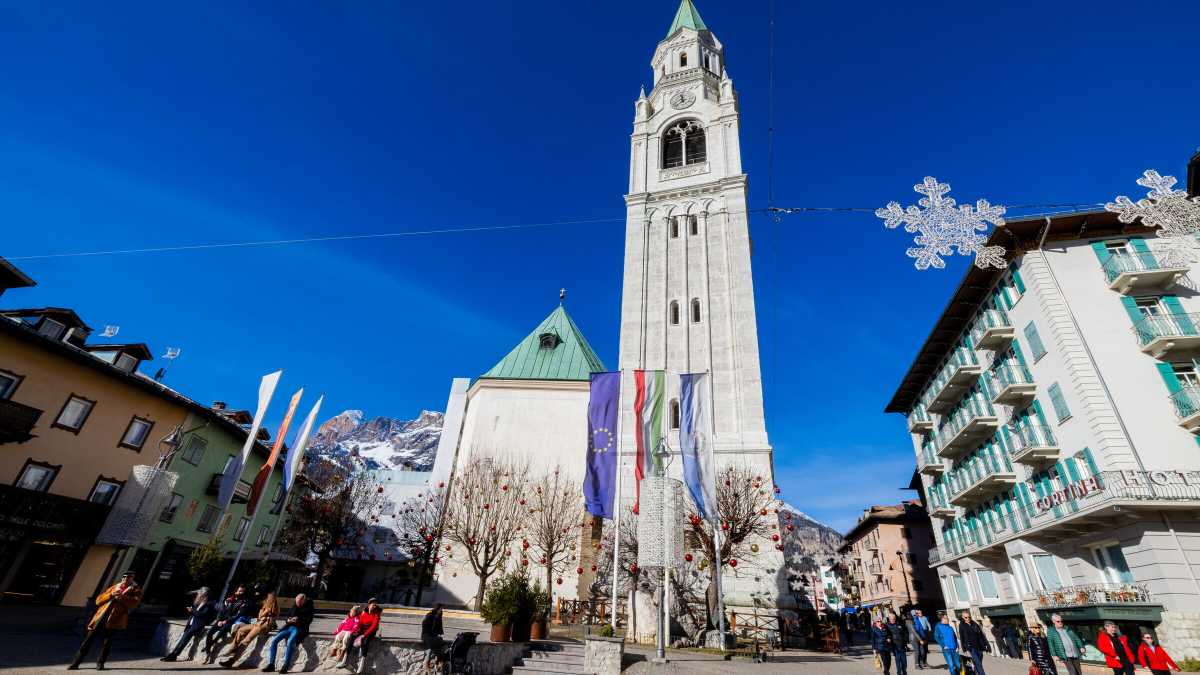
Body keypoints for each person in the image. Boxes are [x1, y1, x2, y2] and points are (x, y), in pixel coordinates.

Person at [68, 571, 143, 671]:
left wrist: (121, 597)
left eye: (129, 577)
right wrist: (111, 595)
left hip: (115, 619)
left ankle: (100, 664)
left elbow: (134, 604)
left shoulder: (136, 590)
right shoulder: (114, 587)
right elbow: (98, 600)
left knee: (107, 644)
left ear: (132, 579)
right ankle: (76, 663)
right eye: (124, 576)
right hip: (101, 617)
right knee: (87, 641)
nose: (125, 578)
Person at [219, 592, 279, 668]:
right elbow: (259, 617)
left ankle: (231, 661)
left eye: (269, 598)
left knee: (246, 640)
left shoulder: (274, 608)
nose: (267, 599)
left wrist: (266, 615)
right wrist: (260, 615)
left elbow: (271, 620)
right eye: (267, 598)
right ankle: (232, 649)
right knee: (241, 630)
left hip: (262, 626)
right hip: (257, 623)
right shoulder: (264, 605)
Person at [203, 585, 257, 663]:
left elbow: (237, 615)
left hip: (231, 622)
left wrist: (225, 621)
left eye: (243, 591)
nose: (241, 593)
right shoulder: (228, 600)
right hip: (221, 621)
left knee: (221, 632)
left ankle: (210, 644)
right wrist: (219, 620)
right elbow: (222, 611)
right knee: (209, 633)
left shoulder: (244, 602)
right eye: (240, 591)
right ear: (235, 592)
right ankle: (208, 652)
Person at [162, 586, 217, 661]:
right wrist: (193, 608)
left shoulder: (209, 604)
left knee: (184, 640)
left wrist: (192, 611)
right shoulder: (199, 602)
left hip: (197, 625)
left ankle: (173, 655)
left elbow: (202, 615)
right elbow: (195, 611)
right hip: (191, 623)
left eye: (200, 593)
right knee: (182, 640)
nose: (198, 595)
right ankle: (173, 655)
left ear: (204, 594)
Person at [262, 594, 314, 673]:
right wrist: (288, 620)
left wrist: (298, 619)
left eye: (300, 602)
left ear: (303, 601)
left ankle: (286, 666)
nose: (298, 604)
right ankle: (271, 665)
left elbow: (308, 621)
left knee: (290, 643)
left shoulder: (309, 608)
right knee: (274, 641)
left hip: (298, 629)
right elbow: (287, 616)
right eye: (297, 602)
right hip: (289, 627)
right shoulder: (294, 606)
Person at [344, 600, 383, 674]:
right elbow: (360, 622)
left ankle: (362, 663)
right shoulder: (364, 613)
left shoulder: (376, 614)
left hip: (371, 632)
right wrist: (357, 631)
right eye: (373, 605)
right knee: (352, 636)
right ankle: (346, 659)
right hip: (362, 630)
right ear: (369, 605)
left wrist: (364, 635)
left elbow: (373, 627)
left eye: (375, 605)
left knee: (366, 640)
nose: (374, 606)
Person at [958, 610, 989, 675]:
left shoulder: (974, 624)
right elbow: (962, 637)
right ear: (963, 617)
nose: (968, 618)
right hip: (971, 648)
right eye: (966, 617)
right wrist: (964, 648)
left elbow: (981, 635)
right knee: (978, 663)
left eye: (969, 617)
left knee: (978, 663)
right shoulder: (962, 625)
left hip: (979, 646)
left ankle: (975, 672)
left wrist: (986, 644)